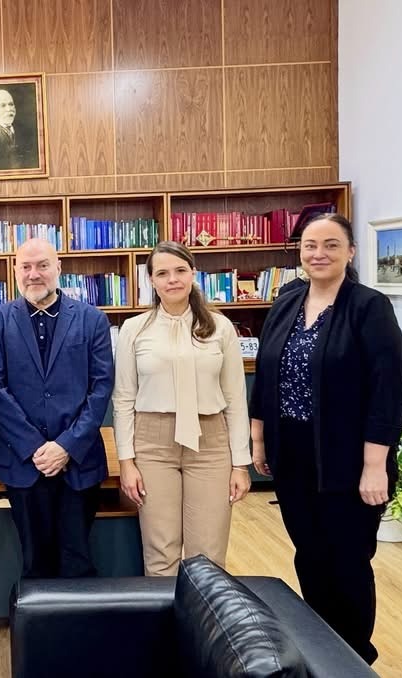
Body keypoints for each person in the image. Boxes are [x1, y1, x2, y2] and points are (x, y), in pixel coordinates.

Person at [250, 213, 402, 665]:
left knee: (348, 561)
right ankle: (321, 652)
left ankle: (354, 659)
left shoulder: (369, 307)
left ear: (350, 252)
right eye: (310, 245)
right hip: (293, 453)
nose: (318, 253)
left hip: (349, 457)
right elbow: (266, 373)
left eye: (331, 245)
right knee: (310, 556)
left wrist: (374, 466)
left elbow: (388, 391)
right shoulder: (287, 301)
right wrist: (259, 441)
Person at [112, 241, 251, 577]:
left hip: (211, 443)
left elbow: (235, 398)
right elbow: (123, 399)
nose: (172, 279)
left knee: (208, 554)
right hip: (153, 444)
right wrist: (127, 462)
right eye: (162, 273)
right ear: (151, 280)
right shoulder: (134, 329)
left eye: (180, 271)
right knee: (161, 551)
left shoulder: (220, 327)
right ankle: (165, 612)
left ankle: (202, 613)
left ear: (193, 274)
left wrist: (240, 464)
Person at [0, 238, 114, 578]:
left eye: (42, 265)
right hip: (22, 462)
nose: (33, 274)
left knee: (77, 562)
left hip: (78, 462)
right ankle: (38, 617)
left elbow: (101, 389)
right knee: (34, 565)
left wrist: (65, 447)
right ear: (15, 271)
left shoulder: (92, 320)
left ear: (58, 268)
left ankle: (77, 615)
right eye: (25, 267)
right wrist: (36, 448)